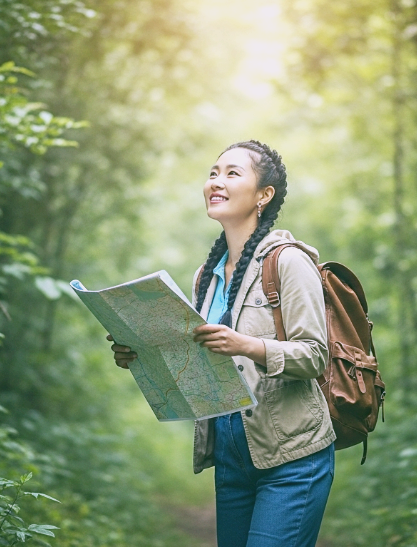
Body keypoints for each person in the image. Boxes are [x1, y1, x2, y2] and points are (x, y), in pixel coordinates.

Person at [107, 140, 335, 546]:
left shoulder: (288, 262)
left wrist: (245, 345)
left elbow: (316, 356)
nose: (217, 181)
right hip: (231, 457)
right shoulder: (205, 276)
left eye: (232, 173)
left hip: (292, 457)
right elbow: (198, 361)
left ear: (264, 195)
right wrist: (141, 352)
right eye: (213, 173)